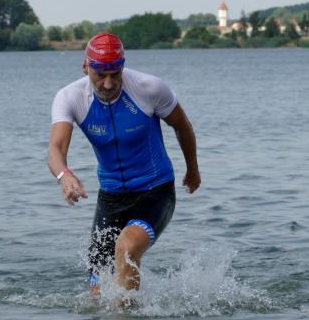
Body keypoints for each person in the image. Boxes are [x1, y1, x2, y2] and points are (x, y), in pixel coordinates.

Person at [47, 33, 200, 297]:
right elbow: (55, 148)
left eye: (115, 75)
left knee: (127, 248)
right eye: (100, 75)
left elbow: (182, 126)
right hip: (110, 198)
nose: (108, 84)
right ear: (85, 66)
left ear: (123, 67)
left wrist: (192, 169)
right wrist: (65, 175)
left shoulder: (149, 88)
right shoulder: (70, 97)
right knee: (97, 292)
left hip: (155, 191)